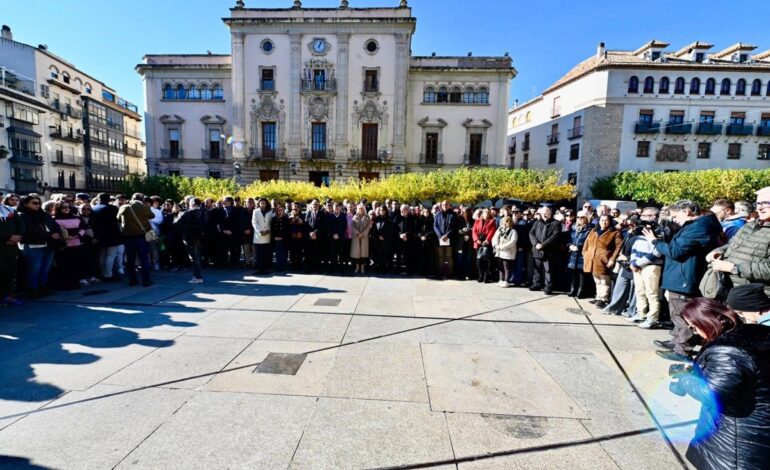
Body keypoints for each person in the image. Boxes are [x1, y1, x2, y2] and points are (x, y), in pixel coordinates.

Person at [671, 298, 770, 470]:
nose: (695, 333)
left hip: (736, 441)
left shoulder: (726, 350)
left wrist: (684, 379)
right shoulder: (755, 333)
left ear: (706, 320)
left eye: (694, 327)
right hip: (759, 429)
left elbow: (713, 394)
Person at [642, 200, 722, 362]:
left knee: (683, 315)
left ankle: (682, 350)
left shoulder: (699, 227)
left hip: (684, 278)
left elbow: (676, 251)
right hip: (680, 276)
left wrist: (655, 242)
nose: (674, 219)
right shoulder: (697, 225)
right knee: (676, 313)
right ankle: (676, 341)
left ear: (686, 211)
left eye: (675, 216)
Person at [707, 186, 770, 295]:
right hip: (732, 291)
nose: (760, 208)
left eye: (765, 203)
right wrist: (719, 251)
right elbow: (732, 243)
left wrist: (734, 268)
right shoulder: (750, 225)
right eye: (758, 204)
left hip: (757, 298)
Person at [18, 194, 61, 296]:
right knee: (34, 268)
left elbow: (55, 225)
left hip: (48, 244)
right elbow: (31, 230)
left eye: (39, 203)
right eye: (34, 203)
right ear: (25, 204)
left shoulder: (44, 214)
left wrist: (57, 233)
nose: (37, 205)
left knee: (45, 267)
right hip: (33, 245)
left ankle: (42, 287)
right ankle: (32, 289)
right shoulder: (22, 215)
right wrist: (51, 235)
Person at [629, 209, 664, 328]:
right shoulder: (641, 230)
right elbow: (634, 247)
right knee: (639, 290)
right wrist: (633, 262)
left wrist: (639, 263)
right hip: (637, 265)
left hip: (651, 265)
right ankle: (641, 314)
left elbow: (657, 252)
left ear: (654, 216)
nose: (642, 217)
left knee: (652, 293)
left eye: (646, 215)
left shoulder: (660, 231)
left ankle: (653, 318)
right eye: (642, 215)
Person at [582, 215, 623, 308]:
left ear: (610, 222)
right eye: (602, 220)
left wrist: (612, 259)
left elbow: (618, 247)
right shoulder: (594, 231)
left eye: (606, 221)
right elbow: (586, 242)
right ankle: (598, 297)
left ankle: (603, 299)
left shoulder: (615, 233)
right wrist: (585, 253)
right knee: (597, 280)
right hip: (592, 259)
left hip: (604, 260)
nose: (603, 222)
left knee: (604, 281)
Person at [117, 193, 155, 287]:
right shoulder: (144, 207)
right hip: (141, 237)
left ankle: (132, 280)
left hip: (128, 237)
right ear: (142, 199)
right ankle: (146, 280)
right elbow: (152, 216)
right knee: (144, 259)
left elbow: (118, 218)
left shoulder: (124, 207)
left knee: (130, 259)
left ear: (132, 198)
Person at [529, 206, 562, 295]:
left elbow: (555, 236)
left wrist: (543, 245)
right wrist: (536, 244)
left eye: (547, 211)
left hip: (549, 251)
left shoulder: (556, 223)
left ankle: (548, 287)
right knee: (537, 269)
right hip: (537, 250)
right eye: (543, 212)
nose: (545, 213)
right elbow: (531, 233)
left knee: (548, 270)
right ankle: (536, 284)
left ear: (550, 212)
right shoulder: (537, 222)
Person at [90, 193, 123, 281]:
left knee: (102, 255)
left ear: (98, 199)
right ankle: (108, 274)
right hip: (112, 235)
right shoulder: (113, 208)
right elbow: (117, 220)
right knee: (111, 256)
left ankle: (102, 273)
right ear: (108, 199)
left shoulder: (93, 208)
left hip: (99, 235)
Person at [174, 198, 208, 283]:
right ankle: (197, 276)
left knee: (194, 258)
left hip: (190, 238)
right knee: (198, 257)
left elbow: (177, 224)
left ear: (192, 203)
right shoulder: (204, 212)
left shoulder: (187, 213)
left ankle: (197, 277)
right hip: (201, 238)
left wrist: (178, 215)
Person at [0, 199, 23, 306]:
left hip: (11, 248)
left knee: (10, 272)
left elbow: (20, 225)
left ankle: (8, 296)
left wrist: (17, 237)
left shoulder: (9, 210)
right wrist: (7, 237)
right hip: (3, 244)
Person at [567, 215, 591, 298]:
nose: (580, 219)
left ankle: (581, 291)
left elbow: (589, 242)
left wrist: (579, 247)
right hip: (572, 252)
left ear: (586, 219)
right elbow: (568, 239)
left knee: (582, 273)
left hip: (582, 253)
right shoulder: (573, 228)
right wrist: (570, 245)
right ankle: (573, 289)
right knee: (572, 271)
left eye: (582, 217)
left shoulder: (589, 229)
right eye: (578, 217)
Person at [434, 200, 457, 279]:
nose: (445, 206)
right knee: (440, 257)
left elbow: (454, 227)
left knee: (449, 257)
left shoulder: (453, 215)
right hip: (440, 239)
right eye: (443, 204)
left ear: (449, 205)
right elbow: (435, 226)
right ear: (441, 206)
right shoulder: (437, 214)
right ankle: (440, 272)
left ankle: (449, 273)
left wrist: (447, 235)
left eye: (446, 204)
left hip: (449, 239)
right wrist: (440, 235)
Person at [492, 215, 517, 287]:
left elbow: (513, 241)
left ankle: (506, 281)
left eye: (506, 222)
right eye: (503, 222)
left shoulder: (513, 231)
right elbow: (494, 238)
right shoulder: (499, 230)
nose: (504, 223)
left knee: (506, 266)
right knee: (500, 266)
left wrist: (502, 247)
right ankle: (501, 279)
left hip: (508, 251)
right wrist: (495, 245)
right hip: (499, 251)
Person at [473, 208, 497, 283]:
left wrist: (487, 240)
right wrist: (477, 240)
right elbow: (474, 231)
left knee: (487, 261)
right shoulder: (477, 221)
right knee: (479, 260)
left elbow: (492, 231)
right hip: (478, 242)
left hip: (487, 243)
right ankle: (481, 275)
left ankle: (486, 276)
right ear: (482, 213)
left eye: (488, 212)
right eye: (485, 212)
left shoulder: (492, 221)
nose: (486, 213)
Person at [252, 198, 273, 273]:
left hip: (267, 234)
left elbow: (271, 222)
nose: (262, 204)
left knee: (266, 253)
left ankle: (266, 268)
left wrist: (268, 230)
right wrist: (260, 231)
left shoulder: (270, 211)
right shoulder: (255, 211)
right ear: (259, 203)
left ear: (266, 203)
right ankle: (259, 269)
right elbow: (254, 222)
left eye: (264, 203)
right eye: (261, 203)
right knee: (259, 254)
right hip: (259, 235)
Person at [325, 202, 347, 273]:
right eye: (335, 206)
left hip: (341, 238)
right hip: (332, 238)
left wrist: (339, 235)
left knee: (341, 253)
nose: (336, 207)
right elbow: (328, 227)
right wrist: (333, 234)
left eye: (338, 206)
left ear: (340, 208)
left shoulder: (343, 216)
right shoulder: (330, 216)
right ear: (333, 207)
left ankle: (341, 268)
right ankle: (332, 267)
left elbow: (344, 227)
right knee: (332, 253)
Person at [371, 206, 394, 273]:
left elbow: (391, 230)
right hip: (377, 240)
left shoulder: (389, 219)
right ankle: (379, 268)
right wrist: (378, 236)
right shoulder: (376, 219)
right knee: (378, 255)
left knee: (385, 256)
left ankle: (384, 269)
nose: (382, 211)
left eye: (383, 210)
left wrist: (384, 237)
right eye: (380, 210)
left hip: (386, 240)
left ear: (385, 211)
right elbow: (373, 230)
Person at [350, 203, 372, 274]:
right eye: (359, 208)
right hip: (356, 238)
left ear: (364, 209)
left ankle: (362, 268)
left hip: (364, 238)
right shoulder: (354, 216)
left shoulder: (367, 217)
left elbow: (368, 227)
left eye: (362, 208)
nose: (360, 210)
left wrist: (363, 234)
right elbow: (352, 226)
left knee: (363, 254)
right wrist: (357, 233)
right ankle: (357, 268)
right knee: (356, 254)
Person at [304, 199, 324, 273]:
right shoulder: (308, 213)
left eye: (316, 204)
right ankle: (309, 268)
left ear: (319, 205)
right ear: (311, 206)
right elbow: (306, 225)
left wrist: (315, 233)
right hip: (309, 237)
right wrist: (310, 233)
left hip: (318, 237)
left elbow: (323, 226)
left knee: (317, 253)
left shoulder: (322, 214)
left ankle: (317, 268)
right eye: (313, 204)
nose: (315, 206)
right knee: (309, 253)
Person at [270, 204, 290, 273]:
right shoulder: (273, 219)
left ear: (283, 210)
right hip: (276, 239)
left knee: (284, 253)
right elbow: (272, 229)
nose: (280, 211)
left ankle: (284, 266)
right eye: (278, 210)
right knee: (278, 254)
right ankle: (278, 267)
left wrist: (283, 237)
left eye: (281, 210)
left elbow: (287, 230)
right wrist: (274, 237)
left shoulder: (286, 218)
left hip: (284, 239)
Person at [288, 203, 306, 270]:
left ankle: (299, 264)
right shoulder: (289, 216)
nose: (295, 208)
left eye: (297, 207)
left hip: (300, 237)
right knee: (292, 251)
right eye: (294, 207)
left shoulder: (303, 216)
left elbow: (306, 226)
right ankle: (293, 264)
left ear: (299, 208)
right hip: (291, 237)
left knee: (299, 251)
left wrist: (302, 223)